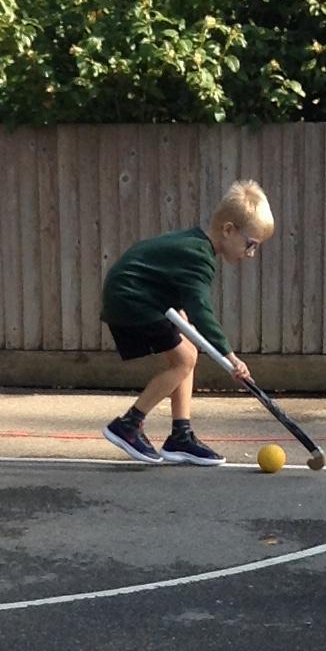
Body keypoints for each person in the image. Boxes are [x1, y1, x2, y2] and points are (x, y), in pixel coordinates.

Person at [99, 182, 275, 465]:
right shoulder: (199, 258)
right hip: (130, 299)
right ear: (228, 230)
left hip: (139, 296)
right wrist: (231, 358)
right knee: (183, 360)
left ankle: (181, 436)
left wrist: (179, 312)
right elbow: (201, 310)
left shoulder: (195, 245)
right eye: (250, 244)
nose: (251, 253)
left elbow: (164, 276)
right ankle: (128, 425)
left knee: (188, 353)